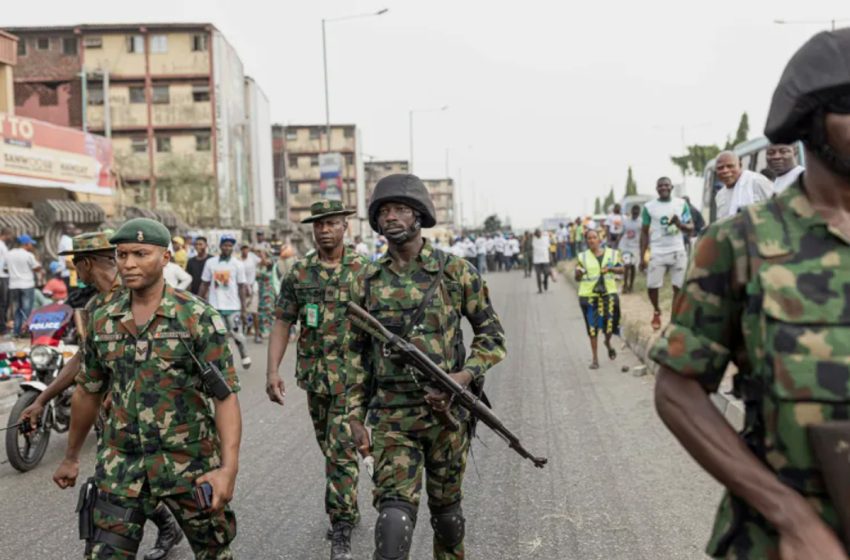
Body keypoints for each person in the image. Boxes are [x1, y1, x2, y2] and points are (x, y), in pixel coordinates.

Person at [651, 29, 850, 560]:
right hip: (784, 541)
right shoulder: (740, 244)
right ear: (811, 121)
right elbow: (678, 390)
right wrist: (792, 519)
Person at [51, 219, 241, 559]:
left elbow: (224, 399)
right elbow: (88, 392)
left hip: (189, 464)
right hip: (121, 465)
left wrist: (227, 469)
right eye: (122, 254)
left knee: (215, 552)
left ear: (166, 257)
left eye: (141, 253)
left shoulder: (196, 317)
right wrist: (70, 457)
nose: (129, 263)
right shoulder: (103, 317)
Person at [347, 174, 506, 560]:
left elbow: (492, 337)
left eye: (401, 209)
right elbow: (355, 356)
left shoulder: (457, 272)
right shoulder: (366, 280)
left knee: (448, 518)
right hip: (391, 418)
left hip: (447, 417)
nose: (391, 217)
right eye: (384, 211)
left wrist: (463, 377)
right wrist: (354, 416)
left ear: (420, 216)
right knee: (392, 524)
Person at [20, 231, 184, 560]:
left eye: (75, 264)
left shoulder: (137, 292)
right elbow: (84, 360)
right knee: (118, 481)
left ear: (86, 263)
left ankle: (176, 525)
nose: (75, 271)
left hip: (159, 412)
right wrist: (42, 398)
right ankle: (139, 534)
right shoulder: (97, 306)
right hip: (118, 416)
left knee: (164, 481)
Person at [265, 200, 367, 560]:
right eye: (319, 225)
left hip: (353, 380)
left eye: (332, 224)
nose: (325, 230)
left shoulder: (364, 270)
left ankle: (340, 526)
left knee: (339, 451)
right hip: (315, 378)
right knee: (331, 448)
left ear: (345, 227)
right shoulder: (300, 273)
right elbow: (282, 320)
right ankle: (349, 506)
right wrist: (272, 369)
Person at [639, 177, 693, 331]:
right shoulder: (649, 207)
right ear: (656, 189)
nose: (663, 188)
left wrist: (679, 224)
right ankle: (656, 310)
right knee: (651, 286)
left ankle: (674, 319)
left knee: (678, 287)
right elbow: (644, 233)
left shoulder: (681, 204)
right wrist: (643, 256)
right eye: (660, 186)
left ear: (671, 187)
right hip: (658, 251)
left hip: (677, 250)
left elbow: (691, 228)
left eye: (666, 185)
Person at [199, 235, 252, 369]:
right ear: (220, 246)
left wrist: (244, 309)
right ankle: (222, 363)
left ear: (233, 247)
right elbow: (204, 284)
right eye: (225, 245)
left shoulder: (238, 264)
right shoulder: (211, 263)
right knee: (218, 336)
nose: (227, 247)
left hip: (233, 307)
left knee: (237, 334)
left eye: (230, 245)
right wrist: (198, 302)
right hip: (215, 306)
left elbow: (241, 287)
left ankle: (244, 355)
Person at [575, 229, 623, 370]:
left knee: (609, 326)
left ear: (599, 239)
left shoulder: (612, 254)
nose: (591, 240)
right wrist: (578, 273)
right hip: (588, 296)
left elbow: (622, 269)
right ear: (586, 241)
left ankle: (607, 342)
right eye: (589, 238)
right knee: (592, 328)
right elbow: (577, 276)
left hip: (608, 293)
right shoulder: (582, 257)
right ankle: (595, 359)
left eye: (594, 237)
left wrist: (611, 269)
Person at [714, 151, 774, 219]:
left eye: (730, 166)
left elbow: (777, 207)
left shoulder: (757, 181)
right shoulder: (720, 196)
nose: (725, 171)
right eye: (720, 168)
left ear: (740, 165)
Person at [7, 234, 42, 337]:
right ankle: (26, 332)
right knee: (27, 309)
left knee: (17, 309)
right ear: (26, 244)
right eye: (31, 243)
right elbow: (37, 268)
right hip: (27, 284)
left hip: (13, 285)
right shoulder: (28, 255)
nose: (32, 246)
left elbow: (5, 268)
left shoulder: (9, 254)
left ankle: (17, 332)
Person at [239, 244, 261, 341]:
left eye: (246, 248)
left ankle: (257, 334)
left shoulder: (253, 257)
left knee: (254, 312)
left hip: (253, 287)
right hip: (242, 288)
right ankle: (242, 332)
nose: (245, 250)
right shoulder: (238, 261)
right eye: (243, 248)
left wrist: (261, 251)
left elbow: (264, 262)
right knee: (242, 312)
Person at [619, 204, 642, 294]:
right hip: (625, 246)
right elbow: (621, 232)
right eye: (634, 211)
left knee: (633, 267)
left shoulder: (641, 222)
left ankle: (631, 286)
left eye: (637, 212)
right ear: (631, 211)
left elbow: (644, 235)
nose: (635, 213)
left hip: (635, 247)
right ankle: (625, 285)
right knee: (626, 265)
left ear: (639, 212)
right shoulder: (626, 221)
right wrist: (617, 243)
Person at [255, 249, 275, 342]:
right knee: (261, 312)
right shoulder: (258, 266)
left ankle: (272, 331)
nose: (261, 256)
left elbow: (267, 264)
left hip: (268, 291)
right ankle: (262, 331)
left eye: (263, 255)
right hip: (260, 291)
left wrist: (263, 256)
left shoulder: (270, 263)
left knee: (269, 311)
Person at [531, 229, 552, 294]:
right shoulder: (533, 239)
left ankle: (545, 281)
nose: (538, 234)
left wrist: (550, 256)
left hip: (545, 259)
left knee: (547, 273)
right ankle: (540, 289)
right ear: (535, 234)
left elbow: (548, 248)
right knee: (538, 275)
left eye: (539, 233)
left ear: (541, 233)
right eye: (537, 233)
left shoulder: (545, 238)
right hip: (537, 260)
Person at [0, 228, 11, 335]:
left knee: (4, 303)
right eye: (9, 235)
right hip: (2, 276)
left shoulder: (3, 245)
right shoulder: (1, 245)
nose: (10, 237)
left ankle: (3, 325)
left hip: (4, 275)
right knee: (3, 303)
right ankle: (2, 328)